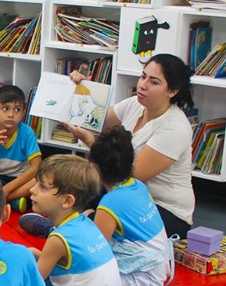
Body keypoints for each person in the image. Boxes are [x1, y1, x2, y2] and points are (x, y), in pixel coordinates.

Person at [63, 54, 195, 238]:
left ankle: (80, 224)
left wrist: (90, 142)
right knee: (70, 194)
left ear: (172, 91)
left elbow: (128, 177)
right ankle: (80, 222)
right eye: (143, 76)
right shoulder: (135, 104)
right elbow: (90, 120)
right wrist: (85, 91)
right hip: (122, 194)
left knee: (90, 214)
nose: (143, 85)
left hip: (163, 208)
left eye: (154, 82)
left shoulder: (175, 127)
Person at [28, 155, 123, 286]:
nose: (32, 190)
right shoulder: (85, 224)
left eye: (42, 187)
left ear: (67, 201)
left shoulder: (58, 239)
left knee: (22, 280)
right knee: (31, 257)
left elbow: (33, 284)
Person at [89, 126, 174, 286]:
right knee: (88, 216)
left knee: (78, 281)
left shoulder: (109, 202)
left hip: (141, 282)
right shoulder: (137, 185)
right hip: (160, 270)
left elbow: (94, 250)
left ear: (95, 168)